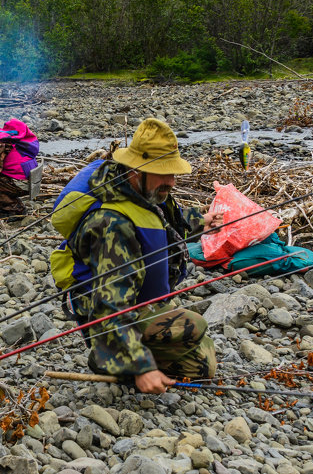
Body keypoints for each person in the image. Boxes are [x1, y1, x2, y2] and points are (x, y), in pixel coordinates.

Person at [49, 117, 222, 394]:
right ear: (134, 170)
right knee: (199, 363)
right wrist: (142, 366)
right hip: (107, 317)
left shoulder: (146, 190)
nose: (172, 181)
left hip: (137, 301)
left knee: (200, 345)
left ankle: (131, 350)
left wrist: (201, 221)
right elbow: (109, 305)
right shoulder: (113, 224)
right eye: (163, 172)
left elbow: (165, 220)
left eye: (173, 172)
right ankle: (106, 356)